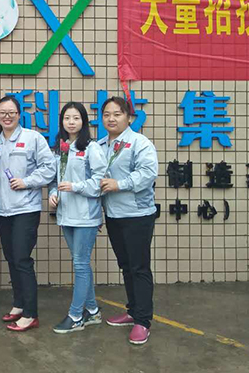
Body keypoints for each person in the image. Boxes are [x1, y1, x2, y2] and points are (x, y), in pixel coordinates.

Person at [0, 95, 55, 332]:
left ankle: (30, 313)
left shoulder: (32, 138)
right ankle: (19, 304)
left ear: (19, 115)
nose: (7, 117)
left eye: (11, 112)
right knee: (12, 258)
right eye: (2, 113)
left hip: (25, 209)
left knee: (22, 259)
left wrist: (27, 181)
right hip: (3, 210)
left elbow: (50, 168)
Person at [98, 96, 158, 345]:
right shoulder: (101, 145)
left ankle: (143, 321)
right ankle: (133, 310)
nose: (111, 119)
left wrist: (119, 184)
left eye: (117, 114)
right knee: (125, 265)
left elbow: (148, 173)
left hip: (137, 215)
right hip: (114, 215)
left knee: (139, 267)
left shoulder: (139, 143)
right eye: (106, 114)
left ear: (128, 117)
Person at [48, 102, 107, 334]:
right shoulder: (60, 149)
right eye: (67, 118)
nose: (71, 122)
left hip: (86, 216)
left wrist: (75, 186)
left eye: (76, 118)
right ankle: (92, 310)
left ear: (84, 122)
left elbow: (100, 181)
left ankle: (75, 316)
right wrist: (53, 194)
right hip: (66, 215)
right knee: (80, 262)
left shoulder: (92, 148)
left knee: (80, 264)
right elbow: (54, 180)